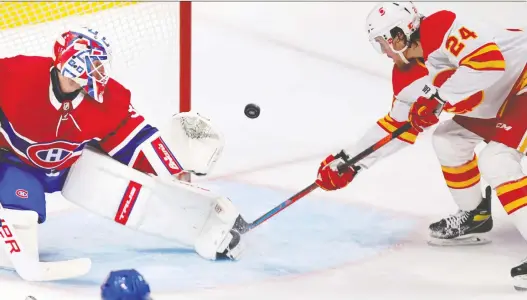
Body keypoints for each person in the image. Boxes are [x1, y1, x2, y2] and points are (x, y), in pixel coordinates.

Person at [0, 26, 243, 281]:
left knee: (136, 194)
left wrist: (174, 160)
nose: (93, 73)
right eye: (87, 64)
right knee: (22, 215)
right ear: (66, 62)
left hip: (70, 166)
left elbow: (135, 139)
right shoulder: (17, 77)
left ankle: (212, 231)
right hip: (16, 162)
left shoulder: (106, 100)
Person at [320, 1, 527, 288]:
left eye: (385, 41)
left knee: (498, 160)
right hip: (499, 101)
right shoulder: (406, 75)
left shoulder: (441, 29)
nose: (385, 50)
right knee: (448, 139)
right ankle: (475, 215)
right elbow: (396, 127)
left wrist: (439, 97)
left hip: (522, 82)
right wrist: (350, 163)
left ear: (401, 33)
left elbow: (488, 63)